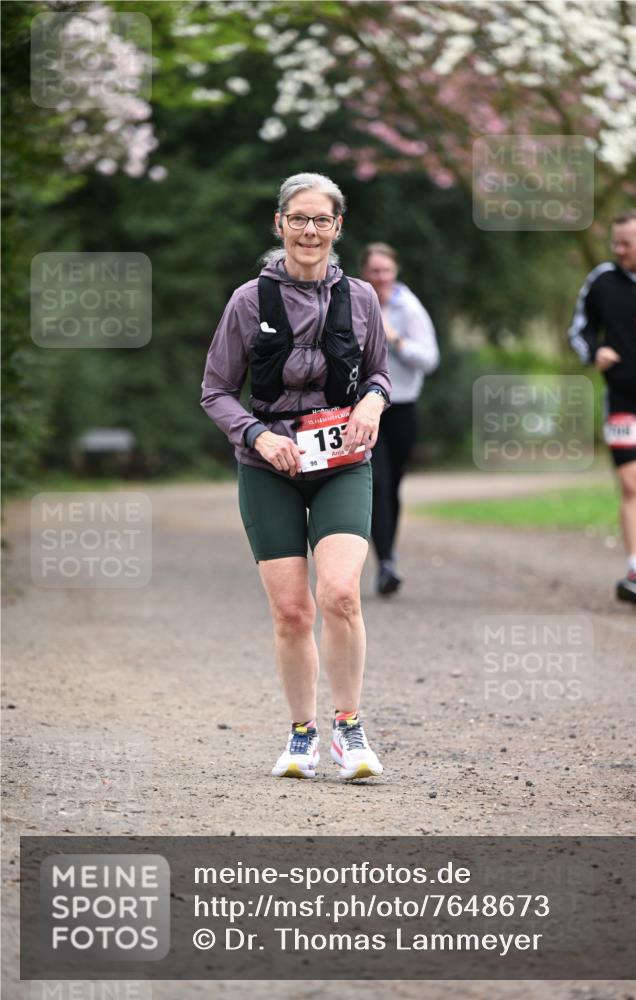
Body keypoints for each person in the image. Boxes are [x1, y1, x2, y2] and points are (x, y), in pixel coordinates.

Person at [200, 173, 391, 779]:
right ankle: (302, 734)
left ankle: (349, 731)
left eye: (322, 220)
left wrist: (371, 404)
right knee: (291, 612)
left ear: (338, 227)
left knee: (340, 594)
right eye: (299, 219)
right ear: (280, 224)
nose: (310, 231)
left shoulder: (360, 298)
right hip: (269, 468)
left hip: (342, 465)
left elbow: (379, 374)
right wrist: (256, 435)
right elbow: (215, 390)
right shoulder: (248, 301)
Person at [568, 209, 636, 606]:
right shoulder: (602, 280)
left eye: (627, 243)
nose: (619, 250)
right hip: (624, 400)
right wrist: (595, 351)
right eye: (615, 243)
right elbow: (579, 329)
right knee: (634, 480)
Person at [360, 243, 440, 595]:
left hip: (402, 407)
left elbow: (430, 359)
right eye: (375, 271)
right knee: (376, 483)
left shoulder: (409, 308)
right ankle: (385, 565)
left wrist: (395, 339)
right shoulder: (354, 303)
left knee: (392, 486)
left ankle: (388, 557)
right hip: (365, 409)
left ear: (396, 272)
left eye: (386, 271)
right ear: (365, 272)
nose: (381, 277)